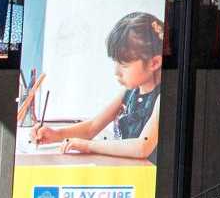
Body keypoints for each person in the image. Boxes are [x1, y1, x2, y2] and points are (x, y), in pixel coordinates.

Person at [19, 12, 167, 159]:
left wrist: (89, 146)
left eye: (124, 65)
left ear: (154, 63)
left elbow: (142, 147)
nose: (116, 72)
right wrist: (56, 134)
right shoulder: (129, 93)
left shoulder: (163, 98)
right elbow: (92, 127)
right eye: (115, 62)